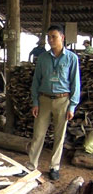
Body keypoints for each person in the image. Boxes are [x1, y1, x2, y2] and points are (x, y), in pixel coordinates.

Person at [27, 25, 81, 180]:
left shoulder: (71, 58)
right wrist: (35, 102)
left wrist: (72, 105)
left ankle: (54, 167)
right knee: (38, 134)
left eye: (54, 37)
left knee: (59, 136)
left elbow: (75, 83)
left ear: (62, 38)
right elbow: (36, 81)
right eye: (49, 37)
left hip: (62, 100)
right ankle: (31, 165)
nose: (50, 40)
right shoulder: (43, 58)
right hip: (44, 99)